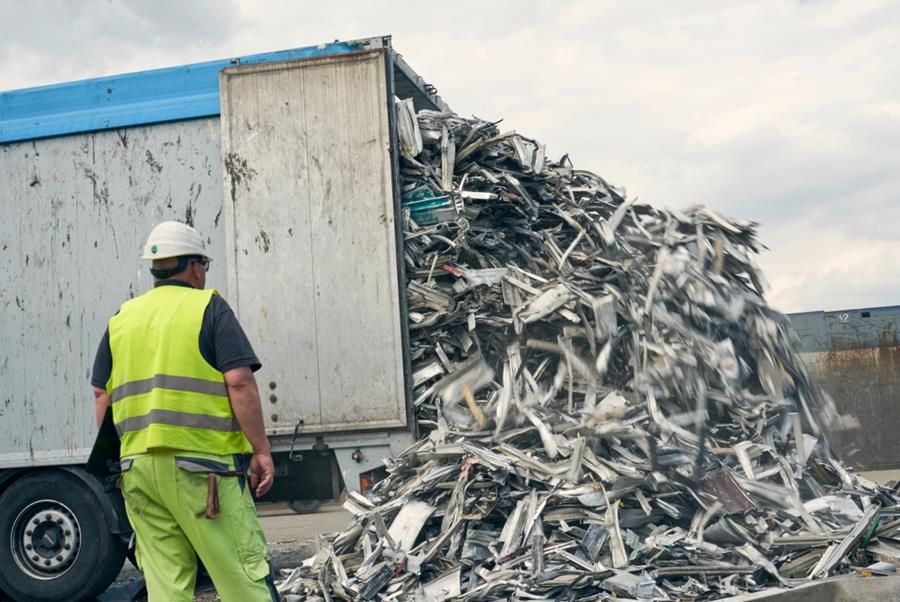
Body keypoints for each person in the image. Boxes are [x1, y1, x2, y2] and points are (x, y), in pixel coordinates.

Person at [91, 221, 278, 601]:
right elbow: (239, 382)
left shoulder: (122, 318)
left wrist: (122, 460)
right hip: (202, 470)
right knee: (243, 575)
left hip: (138, 473)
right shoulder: (208, 307)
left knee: (166, 584)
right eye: (204, 267)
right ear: (194, 267)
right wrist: (260, 450)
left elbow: (101, 394)